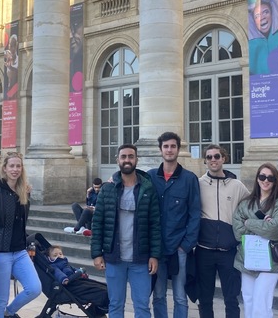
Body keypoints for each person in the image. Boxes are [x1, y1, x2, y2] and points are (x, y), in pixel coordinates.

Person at [91, 144, 161, 318]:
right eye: (123, 157)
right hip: (114, 257)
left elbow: (155, 224)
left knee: (143, 306)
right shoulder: (107, 189)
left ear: (136, 159)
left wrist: (154, 255)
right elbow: (98, 223)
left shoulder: (147, 189)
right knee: (115, 305)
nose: (127, 160)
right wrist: (96, 254)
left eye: (131, 156)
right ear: (118, 160)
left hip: (140, 258)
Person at [147, 131, 201, 318]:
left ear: (178, 149)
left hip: (179, 247)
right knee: (159, 295)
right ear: (160, 149)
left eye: (173, 146)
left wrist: (186, 245)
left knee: (180, 296)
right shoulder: (151, 177)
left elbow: (195, 214)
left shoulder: (189, 179)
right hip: (157, 248)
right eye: (166, 146)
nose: (169, 150)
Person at [0, 151, 40, 318]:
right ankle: (4, 311)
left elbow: (21, 222)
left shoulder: (24, 192)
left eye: (18, 166)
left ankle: (10, 312)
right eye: (11, 166)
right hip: (0, 253)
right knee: (1, 298)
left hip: (20, 251)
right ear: (4, 168)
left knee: (34, 288)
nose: (15, 169)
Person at [195, 144, 250, 318]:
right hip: (204, 250)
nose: (213, 160)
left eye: (216, 156)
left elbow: (252, 206)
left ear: (223, 158)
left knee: (231, 299)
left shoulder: (237, 185)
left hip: (229, 251)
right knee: (205, 299)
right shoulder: (198, 184)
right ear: (205, 160)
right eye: (209, 157)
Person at [232, 163, 278, 318]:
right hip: (247, 259)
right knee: (248, 301)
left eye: (270, 177)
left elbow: (275, 230)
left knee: (261, 303)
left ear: (276, 181)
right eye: (262, 176)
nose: (266, 180)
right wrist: (264, 225)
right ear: (257, 179)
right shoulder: (245, 203)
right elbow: (238, 232)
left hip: (270, 262)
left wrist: (249, 222)